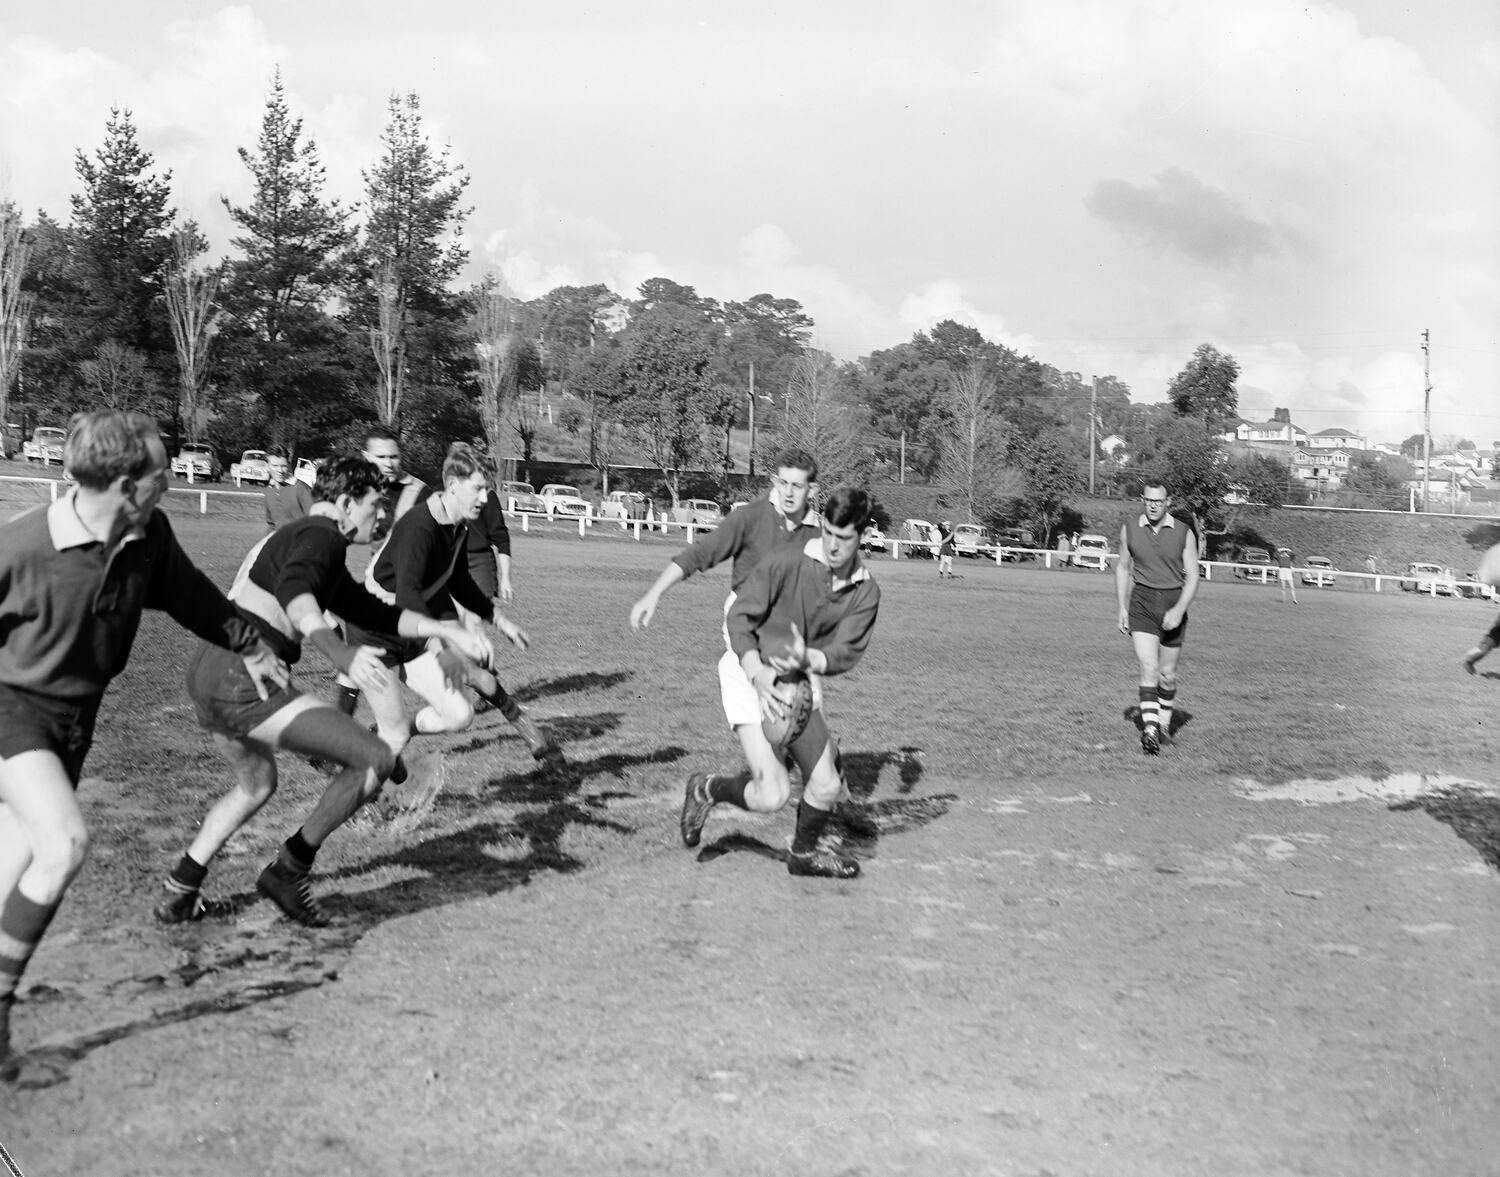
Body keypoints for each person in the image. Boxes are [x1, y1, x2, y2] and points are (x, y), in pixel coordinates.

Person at [0, 411, 290, 1078]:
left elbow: (189, 595)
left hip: (76, 719)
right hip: (13, 709)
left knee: (16, 866)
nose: (174, 477)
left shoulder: (147, 534)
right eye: (164, 471)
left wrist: (250, 645)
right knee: (64, 844)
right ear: (129, 484)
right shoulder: (21, 548)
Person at [156, 456, 494, 928]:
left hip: (211, 670)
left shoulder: (317, 548)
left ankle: (180, 888)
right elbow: (296, 593)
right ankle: (289, 869)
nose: (381, 516)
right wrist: (340, 654)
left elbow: (377, 612)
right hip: (243, 676)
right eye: (375, 505)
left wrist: (447, 631)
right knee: (375, 756)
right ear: (343, 503)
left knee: (257, 786)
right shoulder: (321, 536)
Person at [678, 488, 881, 879]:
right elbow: (740, 617)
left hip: (794, 683)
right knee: (772, 794)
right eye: (829, 534)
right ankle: (706, 788)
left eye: (845, 538)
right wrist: (757, 671)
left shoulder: (865, 591)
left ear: (864, 537)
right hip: (748, 670)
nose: (834, 546)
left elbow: (847, 650)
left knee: (825, 784)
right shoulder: (788, 563)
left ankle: (802, 857)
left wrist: (810, 658)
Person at [344, 442, 555, 764]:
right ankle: (361, 782)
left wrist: (500, 620)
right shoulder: (419, 526)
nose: (485, 499)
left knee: (459, 715)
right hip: (374, 633)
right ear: (453, 486)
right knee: (397, 734)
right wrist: (443, 648)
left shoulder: (458, 525)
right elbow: (408, 596)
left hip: (410, 630)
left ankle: (380, 736)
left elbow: (457, 581)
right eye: (479, 490)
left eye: (488, 490)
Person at [630, 450, 822, 775]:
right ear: (774, 481)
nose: (789, 492)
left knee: (814, 744)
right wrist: (653, 594)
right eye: (783, 483)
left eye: (798, 486)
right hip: (745, 630)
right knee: (776, 771)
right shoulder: (750, 518)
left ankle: (825, 783)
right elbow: (699, 554)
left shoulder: (816, 533)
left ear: (813, 490)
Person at [1115, 479, 1199, 755]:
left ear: (1167, 503)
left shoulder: (1184, 532)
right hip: (1142, 603)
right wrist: (1122, 607)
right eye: (1148, 500)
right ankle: (1150, 731)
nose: (1153, 505)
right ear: (1143, 500)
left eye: (1158, 501)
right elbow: (1124, 569)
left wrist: (1178, 609)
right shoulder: (1130, 529)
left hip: (1174, 603)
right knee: (1149, 667)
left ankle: (1163, 725)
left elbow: (1193, 576)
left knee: (1167, 675)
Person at [264, 453, 313, 530]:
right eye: (275, 466)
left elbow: (316, 521)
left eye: (283, 466)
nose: (280, 470)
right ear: (267, 466)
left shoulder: (301, 489)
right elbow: (272, 525)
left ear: (289, 466)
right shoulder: (269, 491)